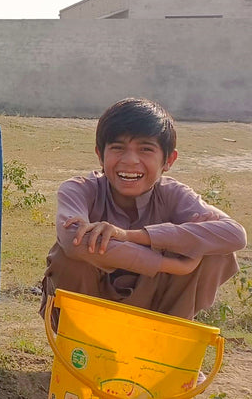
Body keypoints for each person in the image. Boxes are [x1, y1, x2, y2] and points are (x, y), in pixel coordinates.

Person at [40, 97, 246, 323]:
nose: (130, 160)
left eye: (146, 149)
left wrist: (130, 236)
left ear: (168, 160)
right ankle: (81, 344)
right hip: (87, 310)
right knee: (71, 254)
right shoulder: (79, 189)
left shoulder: (174, 194)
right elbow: (72, 239)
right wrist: (172, 264)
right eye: (118, 148)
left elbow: (234, 234)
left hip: (157, 310)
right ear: (100, 154)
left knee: (213, 251)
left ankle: (166, 342)